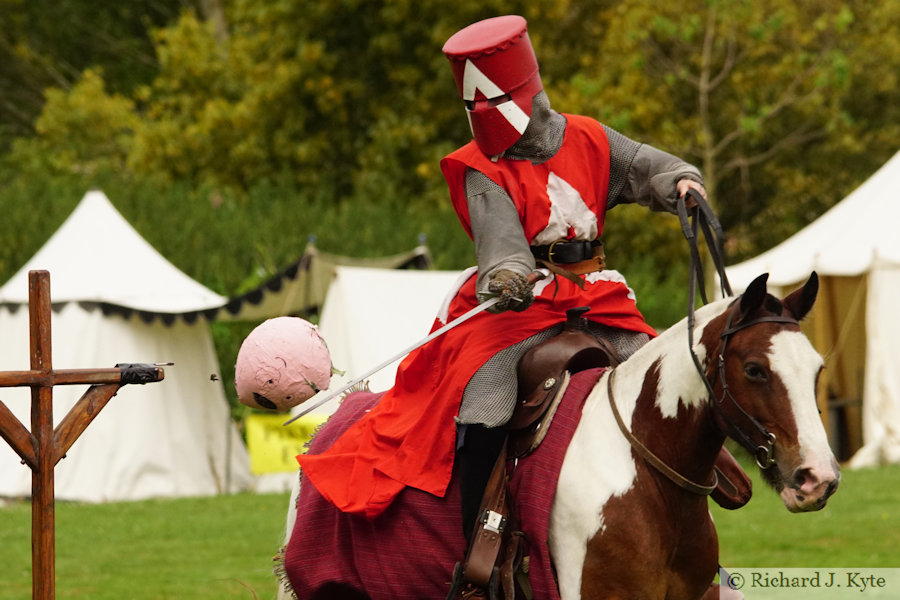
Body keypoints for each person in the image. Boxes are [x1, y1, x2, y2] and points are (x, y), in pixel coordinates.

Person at [296, 15, 709, 534]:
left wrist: (683, 184)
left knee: (664, 374)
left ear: (526, 93)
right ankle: (476, 536)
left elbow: (650, 169)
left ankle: (701, 502)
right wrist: (509, 278)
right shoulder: (480, 166)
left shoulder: (588, 137)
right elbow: (503, 250)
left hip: (597, 293)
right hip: (521, 301)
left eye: (490, 102)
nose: (482, 115)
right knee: (486, 396)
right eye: (473, 106)